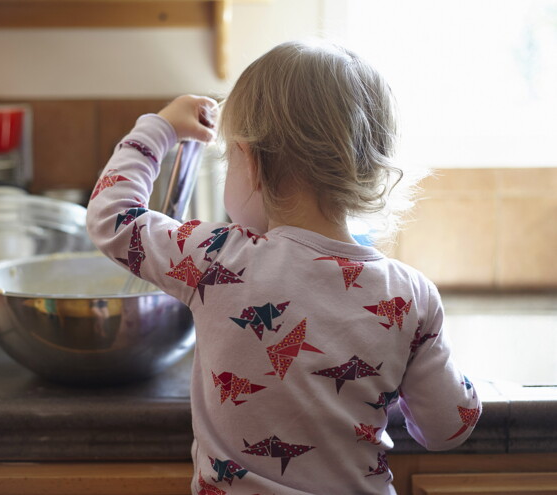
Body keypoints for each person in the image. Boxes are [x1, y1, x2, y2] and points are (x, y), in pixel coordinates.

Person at [86, 40, 481, 495]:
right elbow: (448, 428)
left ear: (252, 164)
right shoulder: (409, 295)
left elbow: (112, 219)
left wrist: (158, 129)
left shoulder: (216, 259)